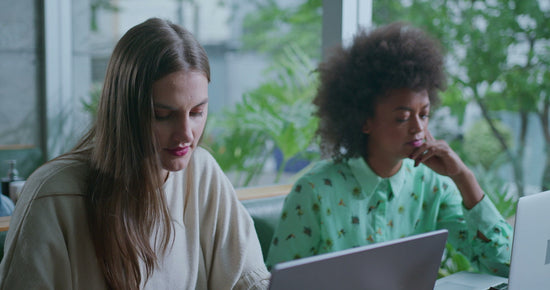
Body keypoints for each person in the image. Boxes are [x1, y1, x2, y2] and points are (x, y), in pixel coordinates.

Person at [0, 18, 269, 289]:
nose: (186, 134)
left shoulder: (202, 173)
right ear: (124, 112)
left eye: (197, 112)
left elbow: (250, 280)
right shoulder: (53, 195)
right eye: (163, 115)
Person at [266, 22, 512, 277]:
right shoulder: (315, 191)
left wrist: (464, 177)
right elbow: (280, 283)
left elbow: (504, 266)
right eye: (403, 117)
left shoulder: (432, 186)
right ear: (364, 121)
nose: (418, 127)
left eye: (424, 114)